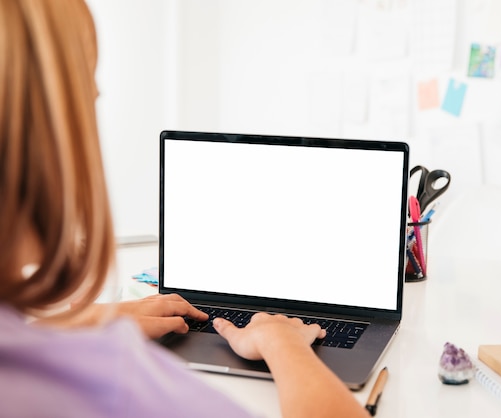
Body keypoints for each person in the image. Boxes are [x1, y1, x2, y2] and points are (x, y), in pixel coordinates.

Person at [0, 1, 370, 417]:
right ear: (47, 131)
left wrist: (72, 323)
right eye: (90, 95)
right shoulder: (106, 381)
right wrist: (282, 344)